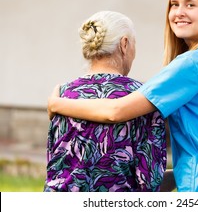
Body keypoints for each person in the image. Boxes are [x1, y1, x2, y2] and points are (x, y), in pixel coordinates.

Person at [48, 0, 198, 192]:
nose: (179, 12)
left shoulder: (194, 64)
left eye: (190, 5)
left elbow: (116, 110)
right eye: (174, 4)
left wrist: (57, 104)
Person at [44, 11, 167, 192]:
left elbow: (54, 163)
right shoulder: (141, 98)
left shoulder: (62, 94)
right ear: (124, 44)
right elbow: (150, 177)